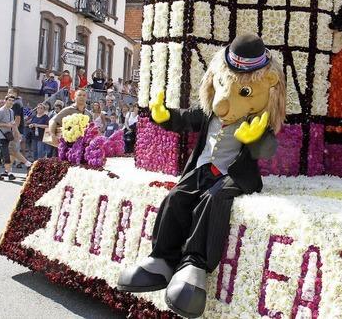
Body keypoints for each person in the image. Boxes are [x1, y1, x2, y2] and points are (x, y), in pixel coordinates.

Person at [117, 34, 286, 319]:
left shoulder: (256, 119)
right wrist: (164, 115)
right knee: (176, 196)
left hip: (232, 176)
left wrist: (255, 139)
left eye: (242, 92)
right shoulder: (210, 113)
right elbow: (185, 118)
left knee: (212, 200)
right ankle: (162, 258)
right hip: (204, 169)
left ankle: (195, 264)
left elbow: (267, 148)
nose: (224, 102)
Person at [0, 95, 17, 181]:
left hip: (7, 135)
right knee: (6, 154)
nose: (11, 102)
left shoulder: (11, 111)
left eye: (12, 101)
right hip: (0, 136)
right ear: (5, 101)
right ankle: (9, 173)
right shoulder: (0, 111)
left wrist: (13, 127)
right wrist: (6, 125)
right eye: (9, 100)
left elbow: (11, 122)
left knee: (0, 154)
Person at [6, 88, 33, 169]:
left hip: (16, 129)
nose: (8, 93)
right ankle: (8, 170)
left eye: (10, 92)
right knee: (13, 150)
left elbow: (17, 118)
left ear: (15, 93)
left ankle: (28, 164)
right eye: (8, 92)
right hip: (16, 129)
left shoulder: (16, 104)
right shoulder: (16, 103)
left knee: (13, 150)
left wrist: (15, 131)